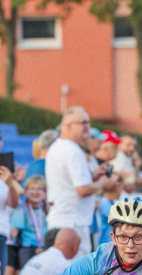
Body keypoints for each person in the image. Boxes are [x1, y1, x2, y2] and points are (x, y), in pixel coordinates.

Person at [45, 106, 114, 258]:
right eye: (83, 123)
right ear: (69, 125)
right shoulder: (72, 150)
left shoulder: (58, 147)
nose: (87, 127)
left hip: (65, 219)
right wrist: (103, 184)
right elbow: (82, 190)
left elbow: (71, 182)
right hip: (72, 223)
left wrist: (93, 176)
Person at [111, 132, 142, 200]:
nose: (132, 148)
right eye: (128, 145)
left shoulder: (125, 157)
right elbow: (131, 181)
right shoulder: (120, 156)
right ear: (120, 144)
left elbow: (131, 181)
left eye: (133, 145)